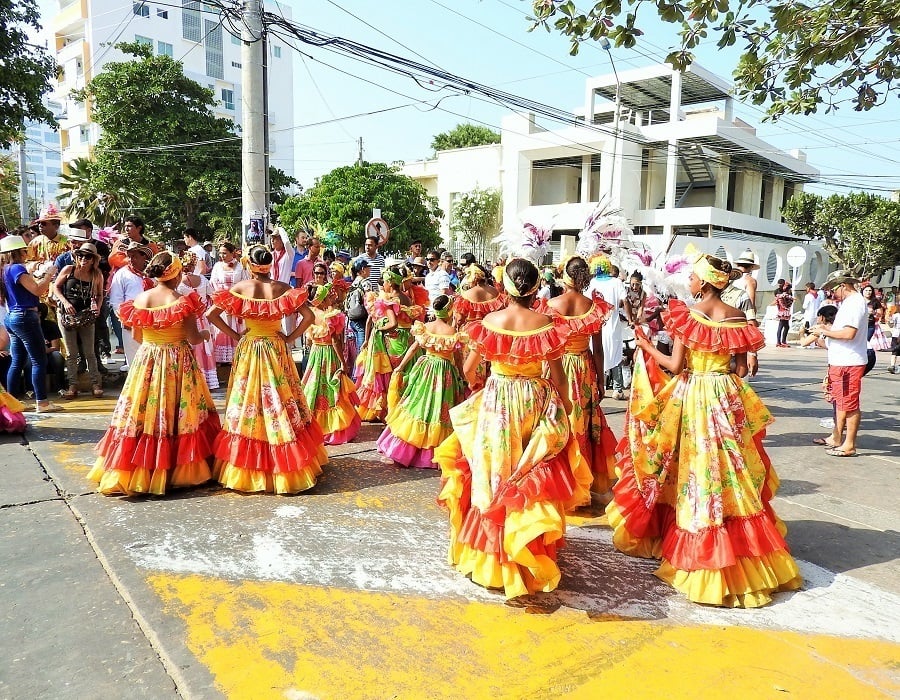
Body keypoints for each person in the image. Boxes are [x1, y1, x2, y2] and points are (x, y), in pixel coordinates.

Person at [607, 251, 802, 607]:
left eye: (694, 277)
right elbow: (741, 371)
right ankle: (745, 553)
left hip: (694, 395)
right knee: (730, 470)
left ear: (707, 282)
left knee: (691, 469)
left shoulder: (688, 316)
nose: (690, 282)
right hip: (726, 394)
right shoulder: (738, 317)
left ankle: (701, 554)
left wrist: (646, 345)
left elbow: (675, 364)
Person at [434, 257, 579, 599]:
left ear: (506, 287)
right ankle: (526, 548)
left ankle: (493, 558)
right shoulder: (546, 323)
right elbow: (558, 379)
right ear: (536, 287)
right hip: (534, 401)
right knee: (529, 474)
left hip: (498, 402)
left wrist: (493, 383)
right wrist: (566, 408)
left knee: (494, 474)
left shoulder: (490, 322)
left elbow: (469, 371)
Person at [88, 251, 220, 496]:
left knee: (143, 413)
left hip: (147, 359)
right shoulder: (182, 301)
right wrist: (204, 335)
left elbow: (137, 336)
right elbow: (192, 338)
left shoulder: (140, 300)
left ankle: (137, 470)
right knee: (179, 414)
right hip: (177, 360)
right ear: (177, 273)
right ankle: (179, 469)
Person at [207, 245, 326, 494]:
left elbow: (212, 314)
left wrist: (236, 335)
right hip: (275, 346)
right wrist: (289, 337)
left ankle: (248, 465)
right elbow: (309, 317)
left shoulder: (241, 288)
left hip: (250, 346)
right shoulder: (282, 289)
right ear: (270, 265)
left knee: (248, 400)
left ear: (250, 265)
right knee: (280, 399)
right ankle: (286, 460)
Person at [546, 255, 616, 506]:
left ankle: (562, 481)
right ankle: (582, 481)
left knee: (557, 422)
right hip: (584, 367)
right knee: (582, 425)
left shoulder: (552, 305)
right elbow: (598, 349)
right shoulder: (593, 306)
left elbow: (548, 344)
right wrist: (600, 380)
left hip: (559, 367)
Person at [377, 295, 466, 468]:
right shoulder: (452, 333)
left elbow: (413, 348)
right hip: (444, 373)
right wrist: (462, 377)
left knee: (416, 405)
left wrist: (401, 367)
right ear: (449, 310)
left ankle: (403, 449)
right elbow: (458, 358)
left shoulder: (425, 327)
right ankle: (432, 452)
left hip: (425, 369)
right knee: (439, 410)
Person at [355, 264, 425, 422]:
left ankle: (392, 410)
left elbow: (392, 323)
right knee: (406, 373)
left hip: (395, 339)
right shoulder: (406, 297)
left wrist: (380, 328)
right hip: (408, 338)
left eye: (384, 282)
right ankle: (403, 408)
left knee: (393, 374)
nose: (383, 285)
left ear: (389, 282)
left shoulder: (390, 300)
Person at [0, 235, 61, 413]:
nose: (27, 252)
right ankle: (41, 402)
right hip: (25, 316)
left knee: (17, 360)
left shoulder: (4, 269)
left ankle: (12, 401)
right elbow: (37, 290)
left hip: (12, 317)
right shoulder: (17, 268)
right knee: (39, 360)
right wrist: (49, 274)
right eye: (25, 249)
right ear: (17, 251)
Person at [811, 270, 869, 457]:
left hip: (848, 362)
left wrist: (825, 331)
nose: (831, 294)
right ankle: (837, 438)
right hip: (842, 361)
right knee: (841, 401)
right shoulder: (849, 303)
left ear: (842, 286)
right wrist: (826, 330)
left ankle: (849, 444)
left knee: (849, 403)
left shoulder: (854, 303)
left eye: (832, 289)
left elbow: (848, 334)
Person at [301, 283, 361, 445]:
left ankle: (311, 425)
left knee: (314, 386)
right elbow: (335, 341)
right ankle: (332, 427)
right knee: (331, 388)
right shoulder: (331, 316)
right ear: (320, 301)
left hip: (315, 353)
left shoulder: (310, 314)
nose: (330, 298)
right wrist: (343, 362)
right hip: (328, 355)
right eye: (327, 297)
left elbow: (308, 339)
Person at [52, 242, 105, 399]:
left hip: (86, 316)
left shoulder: (96, 275)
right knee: (71, 353)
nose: (84, 259)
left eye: (88, 256)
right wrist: (66, 303)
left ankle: (96, 384)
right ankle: (72, 385)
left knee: (90, 352)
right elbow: (56, 287)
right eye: (81, 255)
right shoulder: (69, 270)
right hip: (67, 316)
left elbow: (100, 294)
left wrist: (98, 308)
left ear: (93, 259)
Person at [176, 252, 218, 391]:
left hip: (188, 320)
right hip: (203, 318)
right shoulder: (203, 280)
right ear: (194, 265)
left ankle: (193, 378)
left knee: (192, 348)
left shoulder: (179, 283)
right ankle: (208, 380)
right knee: (205, 347)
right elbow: (213, 297)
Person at [108, 241, 153, 371]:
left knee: (152, 357)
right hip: (130, 321)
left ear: (144, 256)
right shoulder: (122, 273)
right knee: (134, 359)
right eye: (130, 256)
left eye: (135, 256)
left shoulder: (153, 273)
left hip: (152, 320)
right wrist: (124, 318)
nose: (131, 259)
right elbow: (116, 300)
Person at [587, 256, 627, 400]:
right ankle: (617, 389)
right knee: (616, 356)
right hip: (613, 325)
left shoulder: (591, 283)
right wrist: (630, 317)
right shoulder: (617, 282)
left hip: (596, 324)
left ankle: (600, 385)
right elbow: (625, 300)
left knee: (597, 353)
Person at [208, 241, 247, 364]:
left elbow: (245, 282)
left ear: (232, 253)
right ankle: (222, 358)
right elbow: (212, 284)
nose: (222, 256)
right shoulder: (217, 266)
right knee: (222, 326)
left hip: (236, 301)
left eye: (225, 253)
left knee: (236, 325)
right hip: (222, 302)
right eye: (220, 253)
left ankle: (237, 355)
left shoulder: (240, 266)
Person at [452, 264, 504, 328]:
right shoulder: (495, 292)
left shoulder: (466, 295)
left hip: (470, 333)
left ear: (473, 278)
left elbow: (459, 320)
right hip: (490, 332)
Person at [345, 258, 372, 375]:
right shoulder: (365, 283)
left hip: (352, 319)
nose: (369, 269)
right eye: (367, 267)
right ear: (362, 270)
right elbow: (369, 300)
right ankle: (359, 377)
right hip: (362, 320)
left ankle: (356, 375)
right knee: (363, 350)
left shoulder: (354, 282)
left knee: (358, 350)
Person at [731, 249, 759, 325]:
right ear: (752, 267)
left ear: (737, 264)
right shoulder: (750, 280)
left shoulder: (728, 277)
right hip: (739, 316)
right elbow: (751, 303)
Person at [771, 279, 794, 347]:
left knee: (784, 326)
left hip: (783, 310)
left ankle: (780, 341)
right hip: (783, 310)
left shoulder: (783, 291)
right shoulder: (782, 292)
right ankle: (781, 341)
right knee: (783, 326)